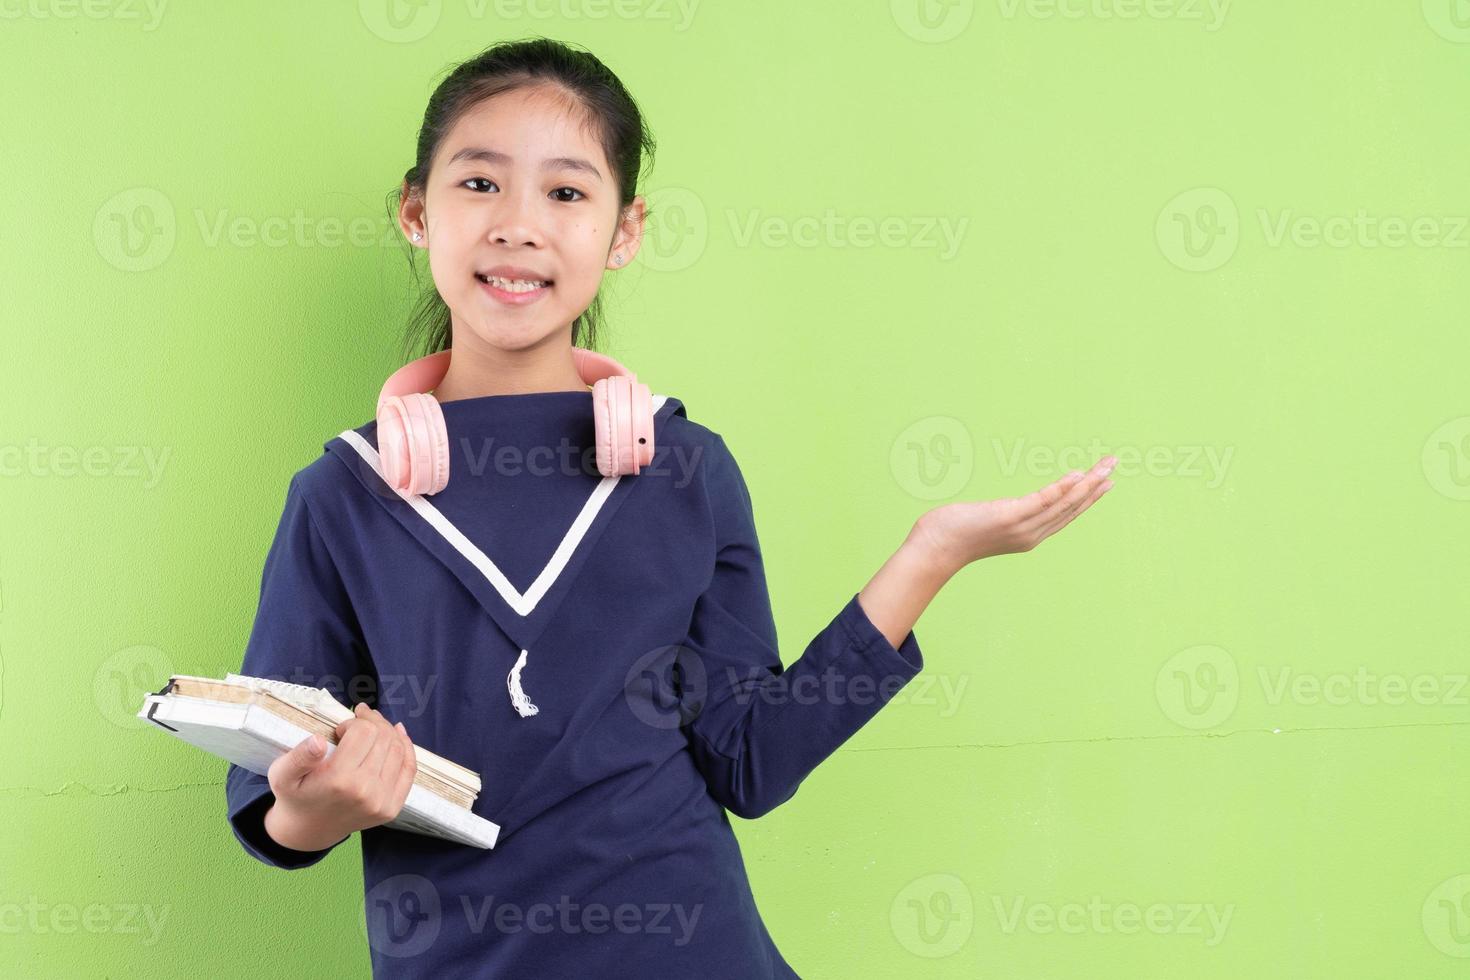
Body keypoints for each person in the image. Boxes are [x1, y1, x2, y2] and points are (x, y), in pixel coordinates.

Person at [224, 36, 1117, 979]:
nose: (519, 225)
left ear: (625, 231)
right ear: (416, 212)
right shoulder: (341, 498)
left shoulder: (685, 471)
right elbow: (272, 805)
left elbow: (752, 763)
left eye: (566, 193)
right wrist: (319, 807)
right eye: (479, 184)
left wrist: (930, 557)